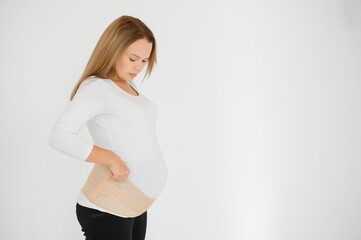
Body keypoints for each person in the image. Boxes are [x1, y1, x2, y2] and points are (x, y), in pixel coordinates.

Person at [48, 15, 167, 240]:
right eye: (133, 58)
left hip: (133, 206)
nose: (139, 67)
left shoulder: (126, 85)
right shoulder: (97, 88)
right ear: (114, 49)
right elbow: (60, 135)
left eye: (144, 60)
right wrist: (111, 158)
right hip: (108, 208)